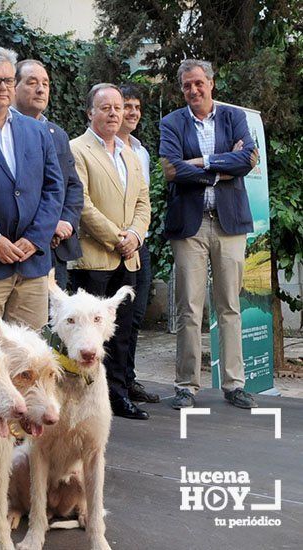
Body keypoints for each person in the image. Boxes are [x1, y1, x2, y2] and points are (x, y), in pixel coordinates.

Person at [160, 59, 259, 410]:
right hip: (190, 226)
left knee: (229, 305)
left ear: (212, 83)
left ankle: (234, 384)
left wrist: (200, 163)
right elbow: (173, 170)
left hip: (229, 223)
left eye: (199, 83)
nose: (193, 90)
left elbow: (248, 160)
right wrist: (219, 166)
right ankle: (187, 385)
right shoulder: (171, 122)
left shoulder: (233, 117)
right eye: (187, 85)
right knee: (189, 308)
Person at [69, 84, 151, 420]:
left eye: (118, 108)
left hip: (127, 256)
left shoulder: (131, 154)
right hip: (93, 259)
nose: (114, 113)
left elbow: (144, 202)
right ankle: (81, 394)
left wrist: (134, 234)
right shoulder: (77, 149)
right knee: (86, 335)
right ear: (90, 112)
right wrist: (116, 236)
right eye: (106, 108)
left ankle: (116, 394)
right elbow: (83, 204)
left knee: (119, 333)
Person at [0, 47, 63, 330]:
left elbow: (54, 188)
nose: (3, 87)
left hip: (32, 264)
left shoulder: (36, 130)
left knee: (28, 359)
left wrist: (35, 238)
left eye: (8, 80)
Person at [11, 59, 83, 291]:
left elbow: (72, 186)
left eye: (45, 83)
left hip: (54, 248)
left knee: (52, 323)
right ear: (13, 86)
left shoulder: (57, 134)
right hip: (15, 245)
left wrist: (66, 222)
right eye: (32, 82)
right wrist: (46, 226)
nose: (41, 89)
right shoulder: (2, 130)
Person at [117, 83, 160, 405]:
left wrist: (137, 235)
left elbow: (143, 201)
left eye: (136, 107)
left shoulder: (141, 151)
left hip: (138, 242)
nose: (131, 113)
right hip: (112, 244)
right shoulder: (97, 148)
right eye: (125, 106)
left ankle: (128, 380)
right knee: (112, 322)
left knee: (135, 317)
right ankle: (112, 386)